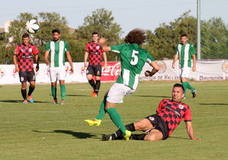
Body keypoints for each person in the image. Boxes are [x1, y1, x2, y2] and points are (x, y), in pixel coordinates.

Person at [84, 29, 160, 140]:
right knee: (107, 94)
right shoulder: (144, 53)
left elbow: (103, 49)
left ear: (129, 38)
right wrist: (150, 73)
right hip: (133, 85)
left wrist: (101, 42)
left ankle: (125, 132)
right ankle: (98, 119)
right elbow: (157, 67)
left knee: (110, 107)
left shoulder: (124, 47)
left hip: (123, 82)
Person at [102, 83, 200, 141]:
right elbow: (157, 113)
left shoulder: (185, 108)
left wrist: (193, 137)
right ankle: (112, 136)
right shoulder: (164, 101)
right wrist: (151, 124)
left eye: (178, 92)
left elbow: (189, 126)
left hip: (166, 130)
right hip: (157, 119)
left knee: (151, 138)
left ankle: (129, 136)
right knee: (139, 124)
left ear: (183, 95)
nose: (175, 94)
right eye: (173, 91)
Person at [44, 29, 74, 104]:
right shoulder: (49, 43)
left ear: (59, 35)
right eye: (54, 35)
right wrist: (48, 62)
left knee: (62, 82)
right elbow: (46, 55)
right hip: (52, 67)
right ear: (52, 35)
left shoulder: (64, 43)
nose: (55, 36)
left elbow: (68, 54)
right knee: (53, 83)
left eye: (57, 35)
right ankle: (54, 98)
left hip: (61, 67)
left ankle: (63, 99)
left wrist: (71, 65)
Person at [13, 33, 39, 104]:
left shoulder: (32, 47)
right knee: (24, 84)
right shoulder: (19, 47)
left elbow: (36, 54)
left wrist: (37, 65)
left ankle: (29, 95)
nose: (25, 41)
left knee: (33, 84)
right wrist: (16, 66)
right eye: (24, 39)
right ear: (22, 40)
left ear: (29, 39)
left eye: (27, 39)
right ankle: (25, 99)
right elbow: (14, 56)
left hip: (30, 69)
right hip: (22, 69)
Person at [83, 32, 107, 97]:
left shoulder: (100, 45)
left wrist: (105, 63)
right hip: (90, 64)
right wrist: (85, 62)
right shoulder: (89, 44)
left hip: (98, 64)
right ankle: (95, 89)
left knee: (97, 78)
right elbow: (86, 53)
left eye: (96, 36)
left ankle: (96, 93)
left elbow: (104, 54)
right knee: (89, 77)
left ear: (98, 37)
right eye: (93, 36)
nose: (94, 37)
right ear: (92, 37)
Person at [172, 34, 197, 98]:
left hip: (187, 65)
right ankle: (193, 89)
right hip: (181, 65)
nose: (183, 40)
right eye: (182, 39)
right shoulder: (179, 46)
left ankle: (183, 95)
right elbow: (177, 55)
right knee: (183, 80)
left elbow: (193, 56)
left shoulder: (190, 46)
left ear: (187, 39)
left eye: (184, 39)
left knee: (183, 79)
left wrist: (194, 65)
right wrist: (174, 62)